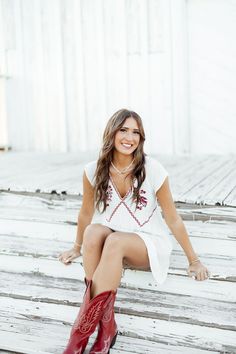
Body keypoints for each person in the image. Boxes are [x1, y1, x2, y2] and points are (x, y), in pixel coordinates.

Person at [59, 108, 210, 354]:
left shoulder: (153, 169)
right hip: (112, 238)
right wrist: (76, 247)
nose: (130, 138)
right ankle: (106, 329)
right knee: (93, 232)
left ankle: (77, 338)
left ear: (141, 138)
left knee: (115, 241)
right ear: (112, 133)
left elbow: (172, 218)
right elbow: (86, 212)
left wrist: (194, 259)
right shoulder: (93, 170)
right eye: (123, 130)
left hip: (147, 242)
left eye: (136, 132)